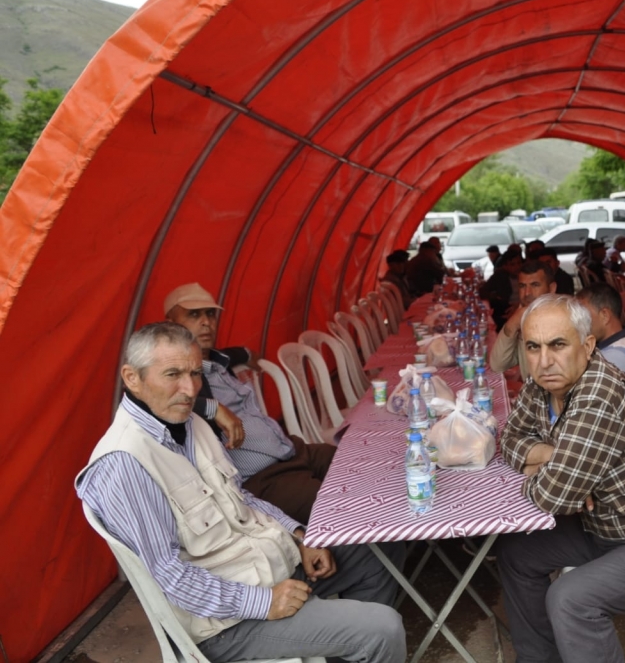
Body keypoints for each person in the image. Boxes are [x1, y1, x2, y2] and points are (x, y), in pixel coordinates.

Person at [76, 323, 405, 662]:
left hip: (270, 568)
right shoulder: (124, 463)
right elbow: (169, 575)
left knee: (378, 546)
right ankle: (357, 638)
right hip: (226, 622)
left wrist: (298, 535)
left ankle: (344, 644)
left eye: (195, 373)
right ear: (132, 378)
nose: (189, 389)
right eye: (172, 374)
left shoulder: (190, 424)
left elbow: (241, 498)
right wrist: (265, 602)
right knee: (383, 628)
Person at [496, 295, 625, 663]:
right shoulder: (543, 382)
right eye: (533, 347)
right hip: (607, 524)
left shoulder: (599, 394)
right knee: (517, 552)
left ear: (587, 345)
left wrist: (552, 475)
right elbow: (509, 438)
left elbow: (552, 497)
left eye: (558, 345)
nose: (544, 360)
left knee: (570, 599)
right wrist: (553, 457)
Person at [164, 283, 336, 524]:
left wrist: (245, 353)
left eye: (210, 314)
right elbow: (156, 403)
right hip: (263, 479)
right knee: (338, 506)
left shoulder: (218, 361)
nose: (206, 322)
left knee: (356, 464)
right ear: (171, 325)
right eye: (194, 315)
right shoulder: (174, 375)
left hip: (292, 451)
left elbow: (236, 353)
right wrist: (214, 408)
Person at [490, 260, 557, 379]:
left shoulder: (561, 322)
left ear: (551, 288)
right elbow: (498, 365)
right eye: (522, 286)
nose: (527, 293)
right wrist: (512, 324)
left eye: (535, 285)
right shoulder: (522, 318)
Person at [576, 283, 625, 385]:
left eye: (583, 316)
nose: (578, 323)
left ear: (605, 316)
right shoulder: (615, 346)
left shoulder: (616, 356)